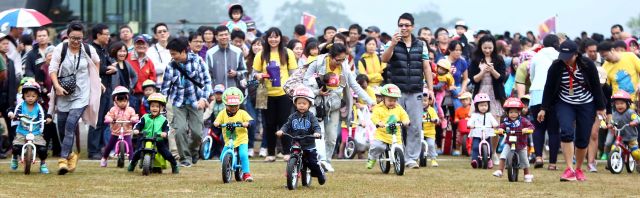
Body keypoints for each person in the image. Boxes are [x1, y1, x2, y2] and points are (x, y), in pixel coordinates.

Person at [537, 40, 606, 182]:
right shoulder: (556, 66)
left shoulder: (587, 65)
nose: (566, 60)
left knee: (582, 138)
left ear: (576, 54)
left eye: (569, 56)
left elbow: (596, 87)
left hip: (586, 104)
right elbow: (549, 88)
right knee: (566, 131)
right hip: (564, 103)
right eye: (564, 56)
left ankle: (579, 169)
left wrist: (601, 107)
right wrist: (543, 109)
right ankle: (569, 169)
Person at [304, 43, 374, 171]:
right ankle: (321, 160)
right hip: (317, 105)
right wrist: (317, 92)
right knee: (318, 133)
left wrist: (370, 101)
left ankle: (326, 161)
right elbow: (305, 82)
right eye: (338, 60)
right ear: (330, 56)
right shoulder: (317, 63)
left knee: (331, 138)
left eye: (344, 59)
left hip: (334, 107)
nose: (341, 62)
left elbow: (355, 86)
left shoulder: (344, 69)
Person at [381, 13, 434, 169]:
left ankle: (411, 158)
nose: (403, 28)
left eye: (407, 25)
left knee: (415, 125)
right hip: (395, 91)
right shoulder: (392, 42)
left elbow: (426, 67)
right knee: (394, 123)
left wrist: (430, 89)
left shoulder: (421, 44)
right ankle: (396, 153)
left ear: (412, 27)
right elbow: (384, 59)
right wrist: (392, 44)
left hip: (416, 89)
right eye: (401, 25)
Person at [49, 21, 102, 175]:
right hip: (63, 92)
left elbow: (97, 63)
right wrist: (57, 86)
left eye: (79, 39)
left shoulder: (88, 49)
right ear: (67, 36)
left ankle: (63, 159)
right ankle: (71, 154)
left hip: (82, 94)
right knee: (62, 127)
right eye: (73, 38)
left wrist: (96, 80)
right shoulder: (61, 48)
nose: (76, 42)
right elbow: (52, 69)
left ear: (83, 37)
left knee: (71, 124)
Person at [161, 38, 212, 167]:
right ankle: (185, 158)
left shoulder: (198, 61)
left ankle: (193, 152)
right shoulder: (170, 66)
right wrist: (161, 103)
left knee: (197, 133)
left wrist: (204, 99)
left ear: (183, 51)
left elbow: (207, 82)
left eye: (174, 54)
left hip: (196, 102)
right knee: (179, 131)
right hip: (178, 103)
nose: (172, 57)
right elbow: (165, 88)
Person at [252, 27, 298, 162]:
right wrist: (258, 76)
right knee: (269, 124)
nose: (273, 39)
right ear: (266, 39)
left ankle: (287, 152)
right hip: (265, 94)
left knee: (285, 123)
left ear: (280, 38)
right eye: (270, 37)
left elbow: (294, 74)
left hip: (284, 94)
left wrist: (292, 90)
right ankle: (270, 153)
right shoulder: (261, 54)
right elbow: (254, 73)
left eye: (276, 36)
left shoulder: (288, 53)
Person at [276, 86, 326, 185]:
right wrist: (281, 131)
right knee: (292, 159)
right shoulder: (292, 117)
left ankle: (320, 174)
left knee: (312, 163)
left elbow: (316, 126)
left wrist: (317, 133)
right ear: (295, 104)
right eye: (299, 103)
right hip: (296, 143)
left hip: (309, 145)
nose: (301, 106)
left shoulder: (311, 117)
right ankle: (290, 177)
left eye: (304, 103)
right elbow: (287, 125)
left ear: (309, 104)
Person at [528, 34, 561, 170]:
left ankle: (539, 157)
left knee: (539, 127)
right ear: (556, 43)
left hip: (537, 93)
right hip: (554, 94)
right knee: (553, 130)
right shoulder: (559, 55)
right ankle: (552, 163)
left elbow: (532, 76)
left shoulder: (536, 56)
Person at [128, 93, 179, 174]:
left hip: (158, 140)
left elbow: (167, 128)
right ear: (149, 107)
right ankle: (132, 163)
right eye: (152, 106)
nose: (154, 108)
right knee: (138, 152)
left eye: (157, 106)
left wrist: (165, 133)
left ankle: (174, 165)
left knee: (166, 153)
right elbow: (139, 125)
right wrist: (137, 130)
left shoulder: (163, 119)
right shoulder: (145, 117)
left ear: (161, 108)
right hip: (145, 139)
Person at [7, 81, 51, 174]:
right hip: (22, 131)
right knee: (16, 147)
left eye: (33, 96)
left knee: (42, 149)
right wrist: (11, 114)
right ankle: (15, 158)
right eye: (28, 96)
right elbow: (12, 110)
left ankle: (43, 164)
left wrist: (48, 118)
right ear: (23, 96)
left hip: (36, 132)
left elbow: (46, 114)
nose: (30, 98)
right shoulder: (20, 106)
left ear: (37, 97)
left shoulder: (39, 107)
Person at [366, 84, 410, 169]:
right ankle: (372, 158)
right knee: (377, 146)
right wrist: (378, 122)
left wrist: (406, 121)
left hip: (395, 135)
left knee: (401, 148)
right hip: (382, 134)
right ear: (383, 98)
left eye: (394, 100)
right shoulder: (378, 108)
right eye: (390, 100)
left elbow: (404, 115)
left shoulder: (398, 108)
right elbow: (374, 117)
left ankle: (399, 164)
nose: (392, 103)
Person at [213, 87, 253, 181]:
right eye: (231, 106)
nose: (234, 108)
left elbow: (251, 121)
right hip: (229, 140)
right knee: (222, 157)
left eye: (236, 105)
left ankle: (246, 173)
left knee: (243, 154)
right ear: (226, 104)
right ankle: (227, 166)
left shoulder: (242, 113)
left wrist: (247, 123)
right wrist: (216, 123)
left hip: (241, 138)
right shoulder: (222, 113)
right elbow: (217, 121)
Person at [88, 23, 115, 160]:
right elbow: (93, 68)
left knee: (103, 120)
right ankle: (93, 151)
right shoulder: (92, 49)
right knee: (96, 121)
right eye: (106, 34)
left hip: (106, 89)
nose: (108, 37)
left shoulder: (103, 49)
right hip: (96, 89)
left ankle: (99, 148)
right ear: (98, 35)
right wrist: (109, 69)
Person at [493, 97, 535, 182]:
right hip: (509, 143)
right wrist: (500, 130)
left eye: (516, 112)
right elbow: (501, 127)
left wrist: (527, 129)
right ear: (507, 112)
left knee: (524, 159)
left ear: (519, 112)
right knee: (503, 155)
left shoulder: (523, 121)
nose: (513, 114)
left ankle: (527, 174)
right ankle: (500, 171)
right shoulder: (506, 121)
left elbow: (531, 126)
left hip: (521, 144)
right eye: (511, 112)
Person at [100, 86, 139, 167]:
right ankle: (104, 158)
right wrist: (109, 119)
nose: (122, 103)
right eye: (120, 101)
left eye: (125, 101)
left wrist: (133, 119)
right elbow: (108, 116)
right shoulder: (113, 109)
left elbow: (134, 116)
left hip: (126, 132)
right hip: (115, 132)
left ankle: (131, 161)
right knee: (109, 146)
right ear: (115, 101)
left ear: (127, 100)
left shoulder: (130, 109)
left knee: (130, 145)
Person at [607, 90, 640, 163]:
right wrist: (610, 125)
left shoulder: (630, 112)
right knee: (614, 148)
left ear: (627, 104)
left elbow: (637, 118)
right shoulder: (615, 114)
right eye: (617, 104)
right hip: (620, 137)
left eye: (622, 103)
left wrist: (635, 122)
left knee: (636, 153)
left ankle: (638, 162)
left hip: (631, 137)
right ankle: (612, 162)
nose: (619, 105)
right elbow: (613, 122)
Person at [467, 93, 499, 169]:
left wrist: (495, 125)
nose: (483, 107)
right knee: (475, 147)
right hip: (477, 133)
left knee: (490, 149)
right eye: (481, 105)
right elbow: (470, 122)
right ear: (477, 106)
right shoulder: (475, 115)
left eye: (485, 105)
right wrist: (470, 125)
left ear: (488, 106)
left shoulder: (489, 115)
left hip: (487, 133)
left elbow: (494, 122)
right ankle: (474, 160)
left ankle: (489, 160)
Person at [126, 35, 157, 114]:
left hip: (145, 96)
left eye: (143, 44)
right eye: (138, 44)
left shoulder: (149, 61)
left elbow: (152, 79)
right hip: (130, 94)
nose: (141, 46)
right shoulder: (127, 58)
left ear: (147, 46)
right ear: (134, 45)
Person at [203, 84, 226, 158]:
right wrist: (202, 119)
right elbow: (208, 112)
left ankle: (223, 153)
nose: (218, 95)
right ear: (214, 94)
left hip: (224, 125)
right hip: (215, 125)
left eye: (220, 93)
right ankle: (211, 153)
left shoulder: (226, 103)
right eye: (217, 93)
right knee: (212, 137)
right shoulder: (213, 103)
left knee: (223, 139)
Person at [434, 59, 456, 129]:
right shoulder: (436, 73)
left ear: (446, 71)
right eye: (439, 68)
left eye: (443, 69)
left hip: (440, 92)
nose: (440, 70)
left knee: (437, 105)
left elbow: (438, 87)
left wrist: (430, 85)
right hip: (435, 91)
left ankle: (442, 118)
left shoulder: (444, 78)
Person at [422, 89, 439, 167]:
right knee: (416, 145)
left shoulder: (431, 110)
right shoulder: (416, 110)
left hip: (429, 132)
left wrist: (434, 120)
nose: (423, 103)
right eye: (421, 101)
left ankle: (433, 159)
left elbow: (436, 118)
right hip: (419, 132)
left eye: (425, 100)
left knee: (431, 145)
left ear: (429, 101)